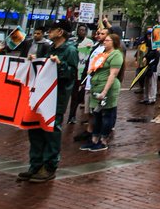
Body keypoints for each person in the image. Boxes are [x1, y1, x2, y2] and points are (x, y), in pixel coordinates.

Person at [19, 20, 80, 181]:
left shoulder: (70, 50)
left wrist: (59, 65)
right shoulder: (50, 48)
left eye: (52, 30)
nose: (48, 33)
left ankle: (49, 166)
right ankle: (35, 165)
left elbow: (71, 75)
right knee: (35, 129)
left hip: (57, 98)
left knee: (51, 132)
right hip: (42, 96)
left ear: (60, 32)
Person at [82, 32, 123, 153]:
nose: (104, 42)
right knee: (97, 114)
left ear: (114, 42)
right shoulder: (103, 54)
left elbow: (113, 74)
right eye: (104, 40)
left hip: (107, 89)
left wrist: (105, 91)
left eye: (107, 40)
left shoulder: (116, 55)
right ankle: (94, 139)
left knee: (107, 114)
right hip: (97, 86)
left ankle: (103, 140)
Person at [68, 25, 95, 124]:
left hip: (83, 73)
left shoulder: (89, 43)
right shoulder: (73, 43)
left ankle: (79, 112)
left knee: (80, 94)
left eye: (83, 30)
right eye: (80, 30)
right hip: (74, 73)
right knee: (73, 95)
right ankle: (72, 115)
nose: (81, 32)